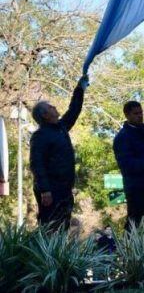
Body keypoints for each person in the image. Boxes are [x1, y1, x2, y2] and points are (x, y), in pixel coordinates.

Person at [29, 75, 89, 231]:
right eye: (50, 107)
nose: (54, 107)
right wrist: (45, 190)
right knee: (50, 226)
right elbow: (37, 164)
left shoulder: (61, 128)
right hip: (51, 190)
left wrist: (79, 89)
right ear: (45, 115)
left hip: (65, 188)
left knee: (63, 225)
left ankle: (59, 255)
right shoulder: (40, 135)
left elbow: (73, 111)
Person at [113, 101, 144, 231]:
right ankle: (129, 250)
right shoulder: (123, 138)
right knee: (136, 225)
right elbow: (127, 165)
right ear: (127, 115)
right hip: (137, 190)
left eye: (141, 113)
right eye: (136, 113)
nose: (140, 116)